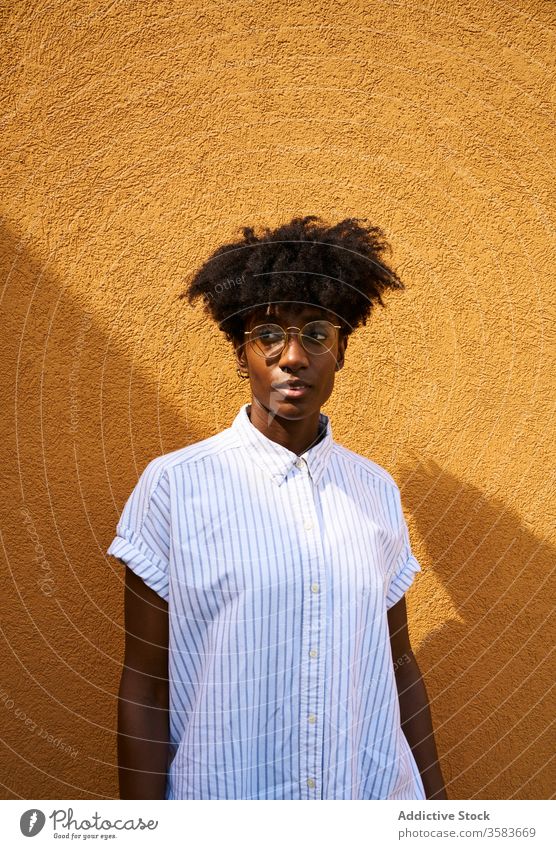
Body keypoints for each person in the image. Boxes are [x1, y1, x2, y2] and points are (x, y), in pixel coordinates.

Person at [107, 215, 447, 800]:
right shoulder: (174, 489)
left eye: (316, 332)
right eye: (268, 335)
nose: (292, 356)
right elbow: (144, 685)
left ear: (342, 350)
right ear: (243, 354)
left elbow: (399, 666)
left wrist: (440, 818)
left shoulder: (375, 493)